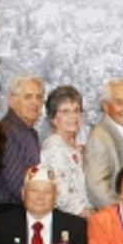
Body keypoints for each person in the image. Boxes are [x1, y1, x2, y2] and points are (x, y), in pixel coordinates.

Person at [84, 78, 123, 210]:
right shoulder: (99, 137)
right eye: (119, 103)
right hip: (117, 219)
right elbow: (97, 188)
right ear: (106, 106)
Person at [40, 85, 92, 219]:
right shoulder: (53, 149)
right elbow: (63, 195)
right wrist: (91, 217)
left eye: (76, 110)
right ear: (52, 118)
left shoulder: (76, 145)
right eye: (65, 111)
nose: (73, 116)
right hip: (70, 220)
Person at [0, 74, 45, 207]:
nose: (35, 102)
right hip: (13, 213)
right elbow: (19, 185)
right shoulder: (7, 133)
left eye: (39, 97)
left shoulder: (29, 132)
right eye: (28, 97)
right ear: (12, 101)